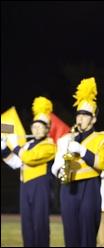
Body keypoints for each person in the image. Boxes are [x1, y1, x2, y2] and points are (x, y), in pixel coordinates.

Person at [51, 77, 104, 247]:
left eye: (85, 115)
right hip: (68, 188)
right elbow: (56, 164)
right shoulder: (66, 138)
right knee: (70, 235)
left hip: (90, 187)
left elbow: (102, 163)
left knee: (87, 235)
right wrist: (60, 171)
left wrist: (82, 150)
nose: (80, 118)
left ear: (93, 119)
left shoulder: (103, 138)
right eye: (79, 114)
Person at [1, 96, 56, 247]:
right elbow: (16, 162)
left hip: (40, 186)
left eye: (41, 126)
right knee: (27, 225)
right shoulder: (28, 144)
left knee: (40, 225)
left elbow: (29, 158)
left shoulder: (50, 145)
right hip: (25, 186)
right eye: (34, 126)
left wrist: (14, 145)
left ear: (47, 128)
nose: (36, 129)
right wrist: (4, 149)